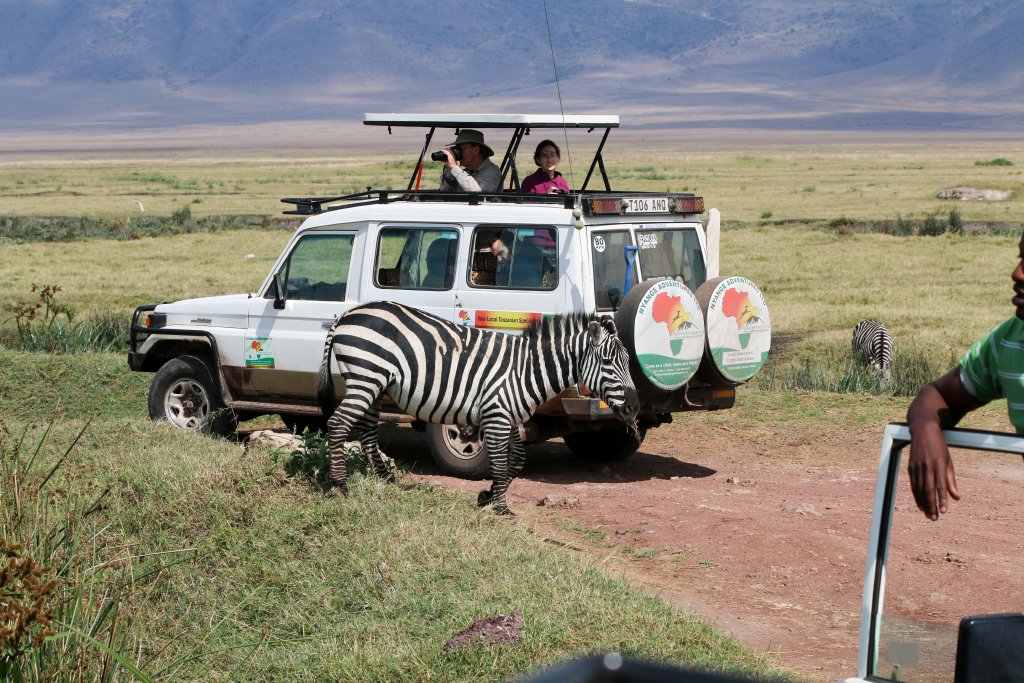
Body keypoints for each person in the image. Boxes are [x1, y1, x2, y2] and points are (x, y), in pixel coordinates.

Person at [906, 231, 1024, 520]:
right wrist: (925, 426)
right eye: (1021, 258)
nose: (1017, 273)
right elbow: (940, 396)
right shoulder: (1008, 342)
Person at [438, 129, 501, 193]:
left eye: (462, 148)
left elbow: (477, 192)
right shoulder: (464, 173)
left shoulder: (492, 172)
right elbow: (445, 192)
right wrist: (449, 168)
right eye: (457, 149)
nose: (459, 152)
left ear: (476, 150)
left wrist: (454, 167)